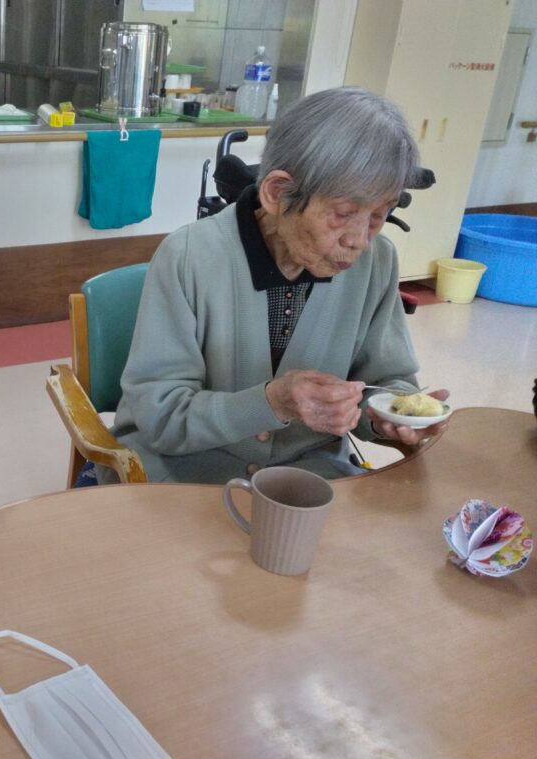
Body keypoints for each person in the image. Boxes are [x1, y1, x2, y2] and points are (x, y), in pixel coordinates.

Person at [101, 86, 448, 485]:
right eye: (343, 213)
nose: (360, 240)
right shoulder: (188, 256)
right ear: (277, 193)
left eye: (379, 214)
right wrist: (271, 402)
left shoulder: (377, 262)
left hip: (306, 473)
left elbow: (386, 381)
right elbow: (159, 417)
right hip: (184, 473)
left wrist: (388, 415)